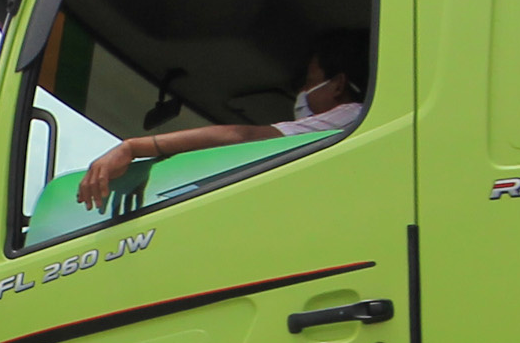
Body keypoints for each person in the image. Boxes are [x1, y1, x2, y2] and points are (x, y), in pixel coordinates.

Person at [76, 27, 371, 210]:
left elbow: (242, 137)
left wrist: (133, 147)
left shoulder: (351, 115)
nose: (301, 94)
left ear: (338, 85)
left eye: (308, 82)